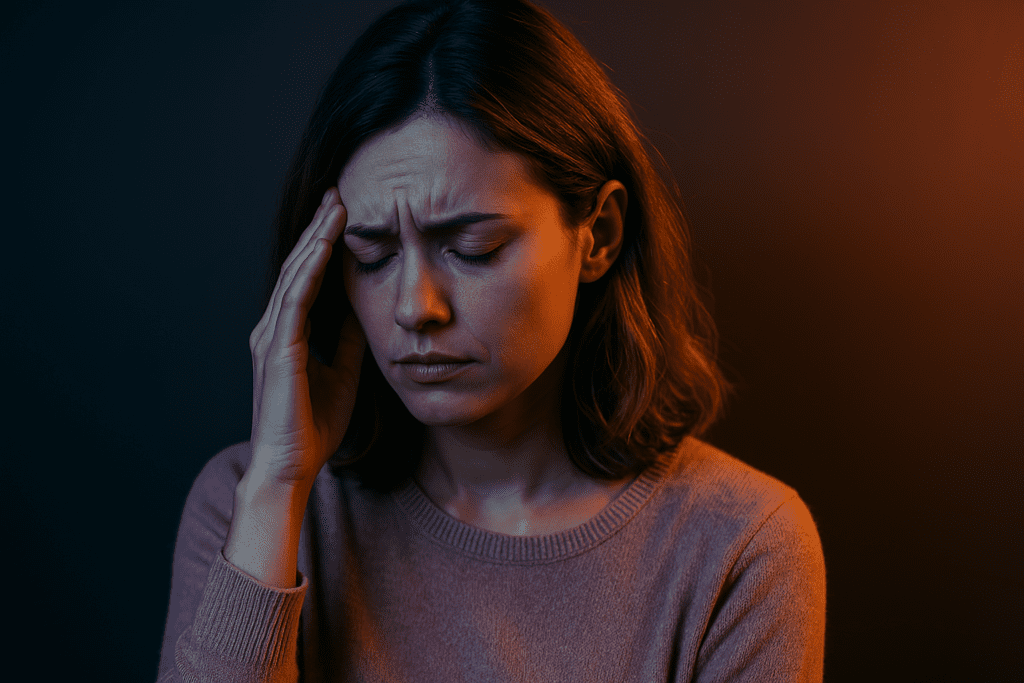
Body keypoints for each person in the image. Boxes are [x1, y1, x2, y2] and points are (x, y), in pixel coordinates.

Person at [156, 0, 826, 680]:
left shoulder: (738, 546)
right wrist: (277, 485)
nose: (416, 307)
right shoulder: (249, 505)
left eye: (473, 247)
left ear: (599, 235)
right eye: (373, 253)